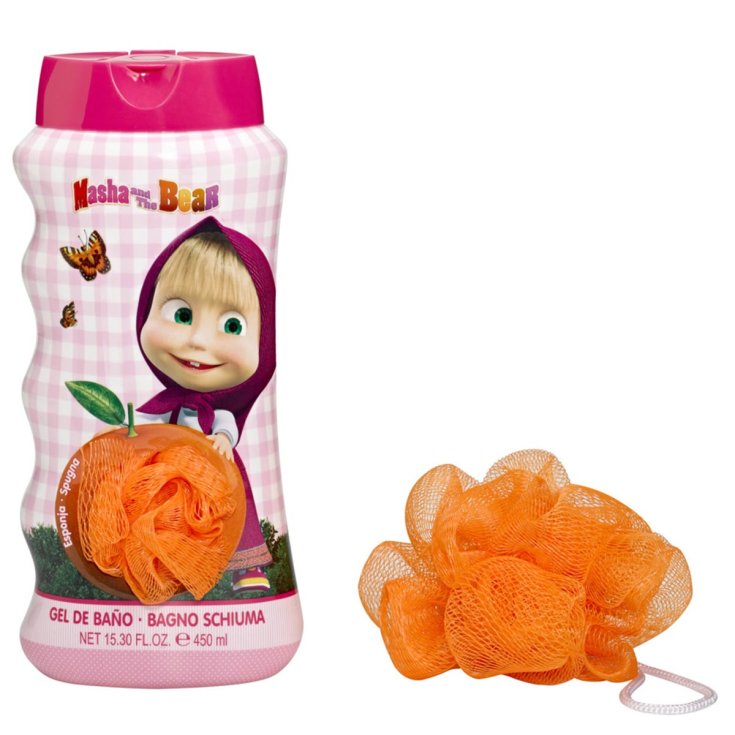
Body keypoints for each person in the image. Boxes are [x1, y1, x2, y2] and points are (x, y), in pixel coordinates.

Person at [136, 216, 276, 592]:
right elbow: (148, 426)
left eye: (232, 326)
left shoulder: (216, 414)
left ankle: (246, 568)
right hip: (171, 475)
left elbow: (226, 426)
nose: (198, 340)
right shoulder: (167, 406)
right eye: (182, 315)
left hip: (215, 472)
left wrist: (223, 440)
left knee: (236, 510)